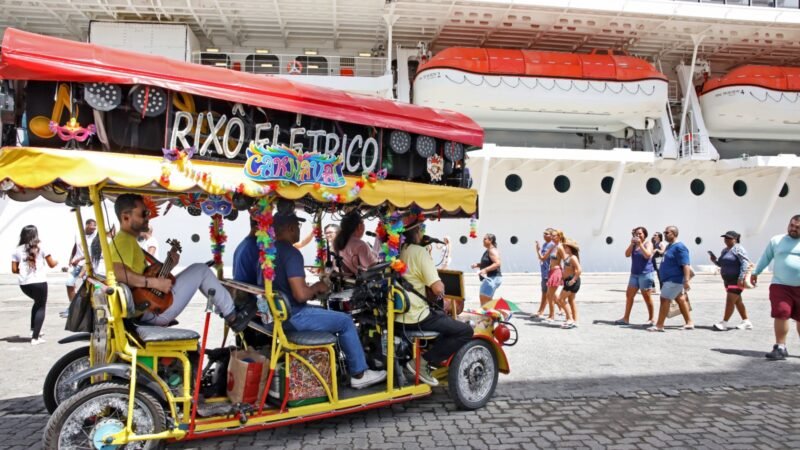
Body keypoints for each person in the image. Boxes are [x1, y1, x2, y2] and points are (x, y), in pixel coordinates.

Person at [272, 210, 386, 389]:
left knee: (331, 315)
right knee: (346, 321)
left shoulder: (268, 251)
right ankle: (359, 373)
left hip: (278, 315)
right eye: (298, 226)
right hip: (294, 316)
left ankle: (346, 362)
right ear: (289, 227)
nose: (299, 230)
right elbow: (301, 295)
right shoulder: (291, 254)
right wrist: (317, 287)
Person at [110, 194, 253, 331]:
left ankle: (228, 310)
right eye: (143, 213)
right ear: (126, 217)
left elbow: (142, 273)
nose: (148, 216)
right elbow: (118, 272)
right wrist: (153, 283)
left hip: (149, 306)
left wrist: (169, 265)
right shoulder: (124, 240)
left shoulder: (128, 241)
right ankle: (233, 317)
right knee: (201, 270)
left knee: (199, 271)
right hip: (150, 310)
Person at [398, 218, 473, 386]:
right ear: (417, 232)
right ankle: (422, 363)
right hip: (416, 316)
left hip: (398, 316)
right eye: (421, 229)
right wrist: (441, 287)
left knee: (442, 319)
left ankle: (432, 359)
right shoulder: (419, 252)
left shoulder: (400, 250)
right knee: (465, 330)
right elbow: (438, 289)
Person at [751, 215, 800, 360]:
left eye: (797, 228)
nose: (793, 229)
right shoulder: (777, 240)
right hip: (780, 285)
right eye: (791, 225)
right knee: (782, 312)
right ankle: (780, 347)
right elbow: (766, 257)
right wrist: (755, 272)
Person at [11, 225, 58, 345]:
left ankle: (33, 331)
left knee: (37, 304)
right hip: (39, 282)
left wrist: (24, 270)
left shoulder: (17, 249)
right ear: (35, 234)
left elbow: (14, 269)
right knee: (41, 307)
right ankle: (35, 338)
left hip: (25, 284)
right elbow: (52, 264)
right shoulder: (41, 247)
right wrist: (57, 262)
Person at [649, 225, 694, 332]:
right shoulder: (669, 246)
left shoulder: (680, 247)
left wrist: (686, 281)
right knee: (681, 299)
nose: (664, 234)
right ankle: (689, 322)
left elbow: (686, 265)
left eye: (667, 232)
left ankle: (660, 325)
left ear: (674, 234)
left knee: (664, 299)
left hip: (674, 279)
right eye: (664, 232)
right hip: (668, 279)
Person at [709, 230, 753, 331]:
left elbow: (745, 263)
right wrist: (714, 260)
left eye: (729, 238)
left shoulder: (738, 249)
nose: (726, 240)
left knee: (730, 301)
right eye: (725, 238)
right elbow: (721, 264)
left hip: (736, 279)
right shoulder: (725, 250)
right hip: (727, 280)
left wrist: (741, 278)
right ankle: (746, 322)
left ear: (735, 239)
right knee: (737, 302)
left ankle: (724, 323)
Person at [617, 226, 656, 326]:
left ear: (645, 235)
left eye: (640, 233)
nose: (638, 235)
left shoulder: (648, 243)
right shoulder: (634, 245)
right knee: (629, 295)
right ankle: (626, 318)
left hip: (646, 274)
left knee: (647, 297)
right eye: (636, 234)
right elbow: (626, 254)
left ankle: (651, 319)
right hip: (634, 274)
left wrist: (640, 244)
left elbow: (647, 255)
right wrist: (632, 243)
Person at [64, 218, 97, 301]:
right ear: (86, 225)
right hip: (77, 265)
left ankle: (83, 306)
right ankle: (72, 305)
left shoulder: (95, 237)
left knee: (85, 287)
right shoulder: (78, 234)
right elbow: (75, 246)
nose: (93, 229)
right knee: (69, 283)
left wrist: (79, 259)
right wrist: (71, 258)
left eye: (94, 228)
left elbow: (93, 254)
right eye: (92, 227)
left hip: (87, 265)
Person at [541, 229, 566, 324]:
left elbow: (565, 260)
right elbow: (544, 258)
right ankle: (554, 315)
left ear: (559, 237)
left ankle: (552, 316)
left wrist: (564, 274)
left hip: (556, 271)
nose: (552, 237)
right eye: (552, 235)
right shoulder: (553, 246)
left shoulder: (560, 247)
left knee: (550, 295)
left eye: (554, 235)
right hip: (551, 271)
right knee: (549, 295)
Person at [557, 239, 582, 329]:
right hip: (568, 280)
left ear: (570, 248)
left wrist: (573, 280)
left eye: (566, 246)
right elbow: (566, 269)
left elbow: (579, 269)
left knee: (561, 299)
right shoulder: (568, 257)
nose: (564, 248)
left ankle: (570, 319)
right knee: (571, 301)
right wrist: (561, 279)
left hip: (572, 281)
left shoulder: (573, 257)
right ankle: (575, 321)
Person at [471, 233, 502, 306]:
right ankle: (491, 316)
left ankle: (489, 316)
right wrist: (478, 265)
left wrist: (485, 270)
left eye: (485, 239)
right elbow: (488, 263)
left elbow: (497, 263)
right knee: (487, 302)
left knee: (485, 303)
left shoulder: (492, 250)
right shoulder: (488, 250)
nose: (483, 241)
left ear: (490, 240)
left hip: (492, 278)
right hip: (491, 278)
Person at [533, 228, 555, 319]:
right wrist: (538, 250)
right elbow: (541, 258)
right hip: (544, 271)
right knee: (545, 292)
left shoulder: (552, 245)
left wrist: (537, 250)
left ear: (551, 235)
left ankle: (544, 312)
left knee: (547, 293)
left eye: (547, 234)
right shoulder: (545, 244)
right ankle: (540, 311)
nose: (544, 235)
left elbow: (543, 258)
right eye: (544, 234)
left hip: (548, 272)